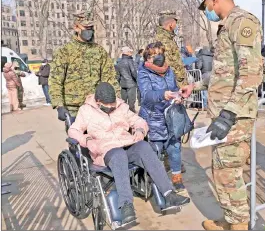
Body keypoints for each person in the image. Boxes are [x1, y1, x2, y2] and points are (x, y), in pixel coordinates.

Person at [68, 82, 190, 226]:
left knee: (144, 147)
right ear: (98, 101)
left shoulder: (121, 106)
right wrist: (86, 139)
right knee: (119, 155)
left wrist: (139, 130)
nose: (111, 108)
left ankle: (169, 194)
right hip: (106, 150)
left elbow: (138, 121)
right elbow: (73, 131)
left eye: (113, 104)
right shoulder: (86, 111)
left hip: (127, 144)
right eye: (108, 106)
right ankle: (126, 206)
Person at [198, 0, 263, 230]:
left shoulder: (242, 22)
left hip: (234, 117)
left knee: (230, 175)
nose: (207, 11)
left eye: (206, 5)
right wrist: (194, 87)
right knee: (221, 171)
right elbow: (224, 74)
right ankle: (229, 220)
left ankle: (239, 226)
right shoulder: (226, 27)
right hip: (223, 115)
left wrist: (228, 114)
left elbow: (251, 75)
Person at [49, 11, 120, 124]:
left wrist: (117, 100)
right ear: (76, 28)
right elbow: (55, 80)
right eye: (86, 27)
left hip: (96, 106)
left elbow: (110, 78)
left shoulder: (99, 51)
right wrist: (58, 105)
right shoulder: (65, 51)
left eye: (91, 28)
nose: (89, 31)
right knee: (77, 139)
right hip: (74, 108)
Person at [138, 42, 187, 191]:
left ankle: (177, 177)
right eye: (153, 55)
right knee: (156, 151)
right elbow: (146, 95)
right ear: (148, 58)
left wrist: (178, 96)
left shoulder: (169, 70)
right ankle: (157, 182)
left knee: (175, 148)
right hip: (153, 117)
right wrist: (162, 95)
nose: (158, 57)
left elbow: (173, 88)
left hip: (170, 116)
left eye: (160, 54)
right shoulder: (143, 72)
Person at [155, 11, 193, 97]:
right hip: (171, 87)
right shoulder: (164, 41)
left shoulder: (167, 39)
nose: (176, 26)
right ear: (171, 24)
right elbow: (168, 66)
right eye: (176, 23)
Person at [115, 46, 138, 113]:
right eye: (130, 52)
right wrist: (137, 80)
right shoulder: (130, 61)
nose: (131, 53)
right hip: (131, 84)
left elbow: (118, 75)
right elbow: (133, 72)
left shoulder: (119, 62)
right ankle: (132, 115)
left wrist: (119, 83)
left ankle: (124, 114)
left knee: (123, 102)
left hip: (123, 84)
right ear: (127, 53)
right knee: (131, 103)